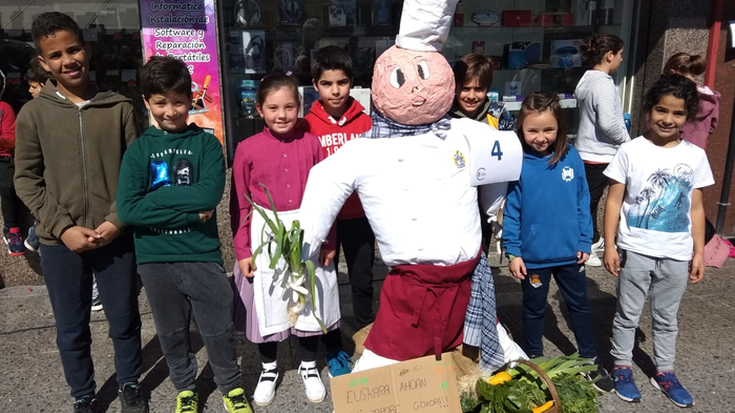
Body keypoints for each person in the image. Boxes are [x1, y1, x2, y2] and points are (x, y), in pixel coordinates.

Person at [297, 0, 524, 374]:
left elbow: (501, 161)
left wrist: (490, 206)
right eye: (404, 79)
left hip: (469, 284)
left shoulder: (466, 132)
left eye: (425, 76)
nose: (418, 91)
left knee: (501, 365)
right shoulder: (365, 148)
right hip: (410, 292)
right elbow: (325, 182)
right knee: (378, 373)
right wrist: (305, 244)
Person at [13, 12, 146, 413]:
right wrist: (63, 227)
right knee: (72, 328)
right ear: (43, 62)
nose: (68, 60)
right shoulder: (33, 115)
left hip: (115, 237)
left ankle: (129, 383)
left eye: (73, 49)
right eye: (55, 55)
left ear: (86, 49)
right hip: (60, 243)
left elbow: (136, 173)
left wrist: (116, 220)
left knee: (124, 320)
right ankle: (83, 394)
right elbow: (27, 180)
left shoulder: (118, 107)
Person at [116, 56, 253, 413]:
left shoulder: (207, 145)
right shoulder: (138, 151)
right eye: (160, 102)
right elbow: (128, 210)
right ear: (147, 102)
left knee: (217, 328)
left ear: (190, 98)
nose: (171, 111)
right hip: (154, 257)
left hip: (201, 252)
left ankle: (231, 387)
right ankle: (185, 387)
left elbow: (209, 195)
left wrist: (154, 199)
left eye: (178, 101)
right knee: (172, 331)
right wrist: (190, 211)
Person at [230, 74, 342, 406]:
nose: (282, 115)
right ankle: (268, 367)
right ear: (260, 109)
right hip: (266, 233)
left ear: (300, 107)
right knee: (270, 298)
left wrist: (329, 239)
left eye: (290, 107)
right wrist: (242, 249)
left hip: (308, 229)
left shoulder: (312, 144)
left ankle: (309, 365)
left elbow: (326, 198)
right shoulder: (246, 149)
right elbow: (240, 203)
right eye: (273, 108)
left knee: (308, 298)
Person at [603, 74, 713, 408]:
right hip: (636, 249)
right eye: (661, 110)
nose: (668, 119)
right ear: (649, 110)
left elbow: (695, 207)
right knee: (627, 314)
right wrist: (609, 245)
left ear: (687, 116)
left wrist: (699, 251)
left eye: (677, 113)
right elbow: (613, 201)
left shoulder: (695, 156)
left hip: (677, 253)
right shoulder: (631, 150)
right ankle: (622, 365)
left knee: (667, 318)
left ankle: (664, 370)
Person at [502, 93, 613, 392]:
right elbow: (511, 210)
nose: (541, 137)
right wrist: (513, 251)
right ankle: (535, 359)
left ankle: (589, 359)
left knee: (580, 306)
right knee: (534, 309)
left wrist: (584, 240)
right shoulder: (517, 164)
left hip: (570, 253)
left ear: (560, 127)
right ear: (521, 129)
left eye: (548, 129)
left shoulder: (570, 156)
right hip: (534, 256)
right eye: (533, 130)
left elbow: (582, 201)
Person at [301, 45, 376, 335]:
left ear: (352, 82)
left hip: (360, 215)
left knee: (362, 278)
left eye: (342, 83)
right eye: (327, 84)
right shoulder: (306, 126)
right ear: (315, 85)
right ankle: (326, 334)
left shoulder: (366, 122)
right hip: (324, 218)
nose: (335, 91)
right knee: (322, 279)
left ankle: (364, 332)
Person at [574, 34, 630, 266]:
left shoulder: (587, 78)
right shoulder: (604, 83)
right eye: (620, 55)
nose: (621, 60)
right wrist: (628, 141)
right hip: (600, 153)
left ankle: (592, 239)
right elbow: (608, 122)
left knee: (588, 200)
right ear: (609, 55)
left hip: (586, 150)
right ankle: (586, 243)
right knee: (591, 201)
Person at [19, 58, 53, 253]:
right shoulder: (31, 113)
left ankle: (37, 230)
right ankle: (38, 229)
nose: (30, 91)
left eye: (33, 87)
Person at [663, 53, 720, 150]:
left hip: (668, 147)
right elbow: (712, 127)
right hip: (696, 150)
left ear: (672, 73)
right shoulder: (709, 96)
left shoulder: (670, 94)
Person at [450, 53, 516, 131]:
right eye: (465, 88)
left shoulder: (499, 116)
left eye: (478, 89)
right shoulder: (443, 115)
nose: (471, 96)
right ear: (454, 87)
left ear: (487, 89)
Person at [0, 69, 26, 256]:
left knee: (8, 184)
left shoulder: (4, 108)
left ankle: (12, 230)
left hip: (2, 157)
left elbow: (12, 139)